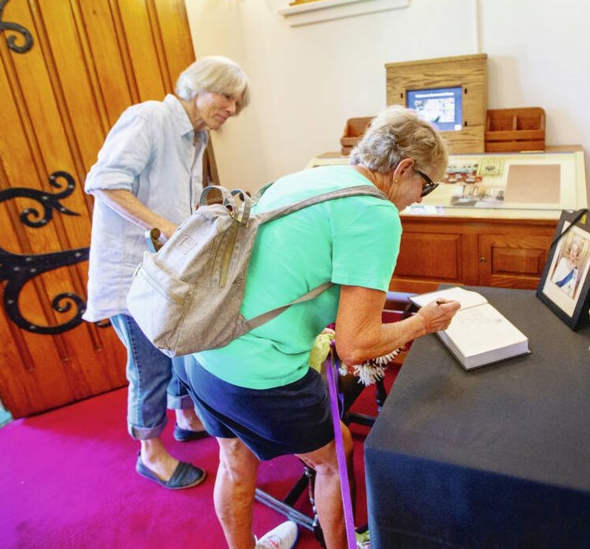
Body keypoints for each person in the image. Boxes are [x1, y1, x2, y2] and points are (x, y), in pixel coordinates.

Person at [175, 106, 462, 549]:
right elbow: (357, 346)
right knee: (335, 457)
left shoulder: (312, 178)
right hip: (259, 372)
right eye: (426, 184)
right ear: (404, 168)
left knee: (233, 458)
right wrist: (423, 323)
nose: (421, 197)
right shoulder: (376, 213)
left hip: (203, 346)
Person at [82, 56, 251, 492]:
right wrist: (166, 227)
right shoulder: (150, 117)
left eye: (237, 102)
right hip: (132, 276)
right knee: (150, 366)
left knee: (179, 352)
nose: (232, 109)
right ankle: (149, 453)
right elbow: (104, 181)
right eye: (228, 97)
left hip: (166, 275)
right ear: (198, 86)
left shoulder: (194, 138)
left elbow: (176, 202)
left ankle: (186, 416)